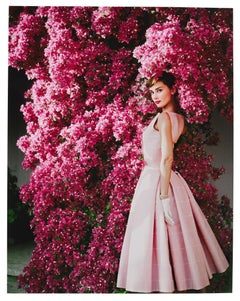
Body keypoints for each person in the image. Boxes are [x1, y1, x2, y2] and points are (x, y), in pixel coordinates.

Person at [116, 71, 229, 293]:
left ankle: (163, 286)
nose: (155, 96)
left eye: (159, 90)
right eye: (152, 92)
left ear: (173, 90)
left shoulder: (164, 118)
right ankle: (183, 285)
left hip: (157, 182)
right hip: (169, 180)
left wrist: (164, 196)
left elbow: (167, 157)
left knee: (155, 237)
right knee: (177, 240)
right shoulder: (181, 120)